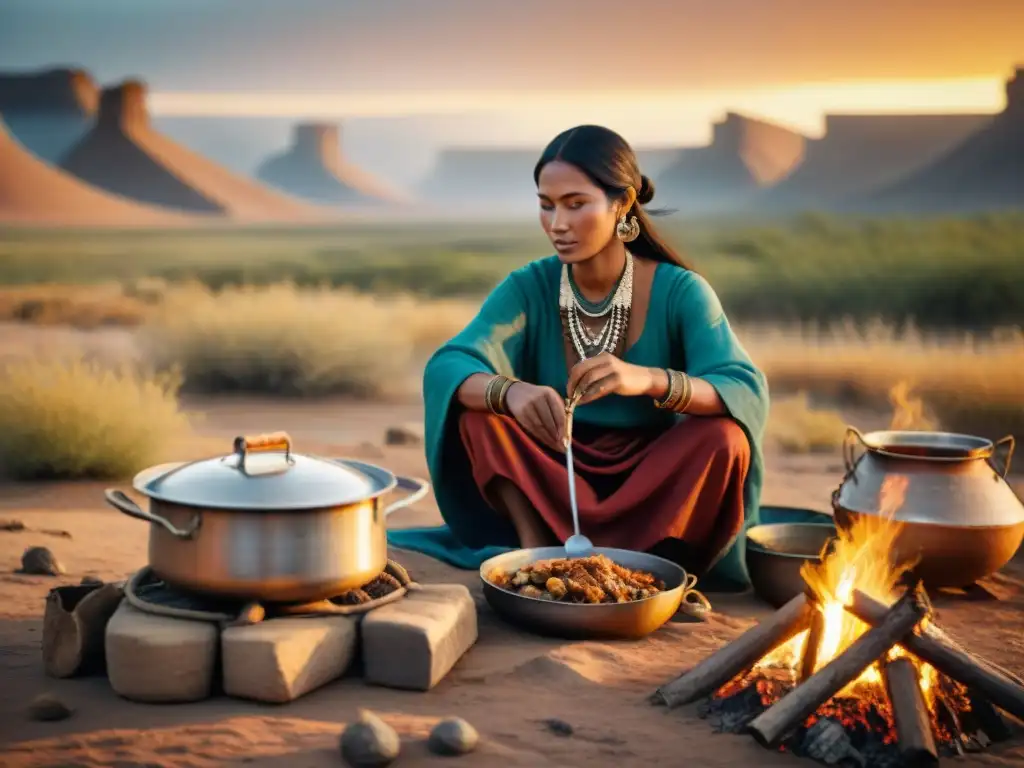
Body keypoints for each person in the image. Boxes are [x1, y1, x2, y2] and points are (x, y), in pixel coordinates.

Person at [415, 124, 769, 589]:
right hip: (554, 461)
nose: (557, 223)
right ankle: (535, 556)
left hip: (654, 476)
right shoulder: (529, 286)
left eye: (575, 204)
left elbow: (743, 387)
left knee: (725, 439)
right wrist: (511, 393)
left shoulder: (681, 291)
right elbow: (449, 365)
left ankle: (654, 568)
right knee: (480, 417)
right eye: (547, 205)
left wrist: (649, 380)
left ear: (622, 204)